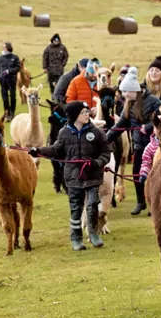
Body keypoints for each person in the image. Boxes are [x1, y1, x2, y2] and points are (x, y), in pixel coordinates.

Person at [31, 101, 112, 251]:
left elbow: (106, 153)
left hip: (92, 175)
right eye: (83, 112)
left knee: (92, 205)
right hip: (73, 176)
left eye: (87, 112)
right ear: (74, 116)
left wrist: (96, 163)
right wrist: (38, 151)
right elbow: (56, 149)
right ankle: (76, 237)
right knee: (76, 208)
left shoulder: (96, 133)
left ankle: (93, 233)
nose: (87, 114)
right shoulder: (64, 133)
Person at [106, 67, 161, 216]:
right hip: (139, 143)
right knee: (137, 173)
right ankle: (140, 202)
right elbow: (121, 125)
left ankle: (154, 204)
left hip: (155, 143)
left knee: (155, 174)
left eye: (126, 92)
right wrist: (106, 139)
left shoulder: (153, 101)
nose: (123, 95)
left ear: (133, 90)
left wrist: (149, 127)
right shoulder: (128, 104)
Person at [0, 42, 22, 121]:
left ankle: (12, 112)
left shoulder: (15, 57)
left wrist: (9, 71)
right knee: (5, 97)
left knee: (13, 96)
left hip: (12, 79)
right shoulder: (0, 58)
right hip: (3, 80)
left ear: (8, 48)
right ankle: (7, 112)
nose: (3, 48)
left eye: (4, 47)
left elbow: (18, 67)